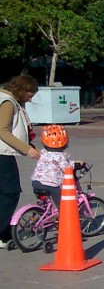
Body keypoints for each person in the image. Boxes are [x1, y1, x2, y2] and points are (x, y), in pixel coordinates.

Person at [0, 74, 40, 250]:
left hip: (4, 153)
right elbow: (3, 131)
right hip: (2, 154)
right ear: (21, 90)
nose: (30, 100)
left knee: (3, 193)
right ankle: (1, 231)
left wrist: (28, 145)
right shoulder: (8, 102)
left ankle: (4, 232)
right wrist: (26, 149)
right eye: (29, 95)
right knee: (11, 192)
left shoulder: (7, 99)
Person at [30, 125, 84, 207]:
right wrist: (76, 164)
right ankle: (62, 213)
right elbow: (66, 167)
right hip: (51, 185)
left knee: (44, 203)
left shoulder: (43, 152)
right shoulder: (61, 156)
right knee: (63, 206)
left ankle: (41, 210)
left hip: (36, 182)